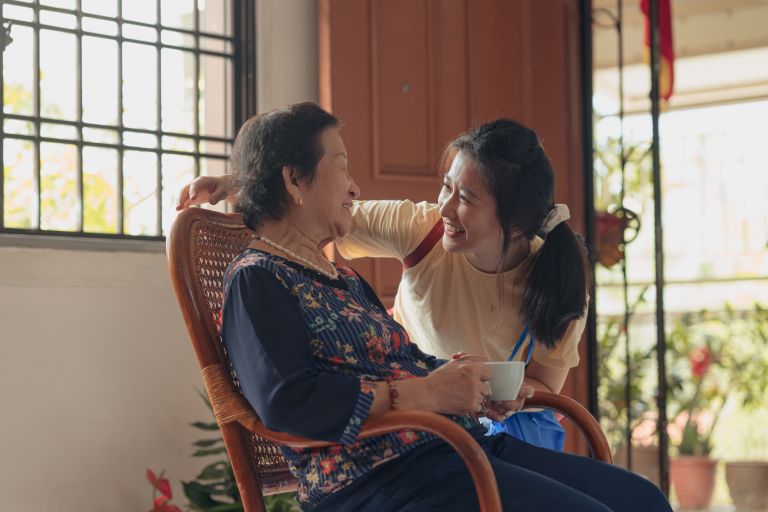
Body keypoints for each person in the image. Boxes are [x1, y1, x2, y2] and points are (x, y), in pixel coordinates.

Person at [217, 102, 672, 511]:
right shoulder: (260, 277)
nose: (355, 188)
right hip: (379, 476)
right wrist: (428, 392)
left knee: (641, 500)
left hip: (447, 446)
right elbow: (286, 401)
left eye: (468, 198)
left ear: (514, 222)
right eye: (342, 165)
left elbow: (401, 362)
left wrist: (463, 379)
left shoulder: (341, 279)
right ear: (295, 180)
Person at [179, 115, 587, 451]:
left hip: (476, 426)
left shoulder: (558, 279)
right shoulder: (420, 230)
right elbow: (320, 208)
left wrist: (501, 394)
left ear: (516, 222)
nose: (444, 207)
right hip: (419, 433)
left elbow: (545, 385)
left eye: (467, 198)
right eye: (447, 187)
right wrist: (243, 185)